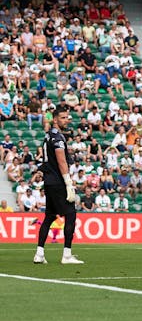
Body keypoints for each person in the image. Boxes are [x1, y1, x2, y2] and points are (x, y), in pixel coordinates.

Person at [33, 106, 84, 264]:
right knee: (70, 215)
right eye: (63, 117)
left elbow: (47, 160)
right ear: (55, 120)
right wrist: (68, 182)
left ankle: (39, 253)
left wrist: (40, 171)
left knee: (49, 217)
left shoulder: (48, 136)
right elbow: (61, 160)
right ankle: (67, 255)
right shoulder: (57, 138)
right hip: (58, 183)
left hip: (49, 182)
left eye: (67, 117)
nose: (66, 120)